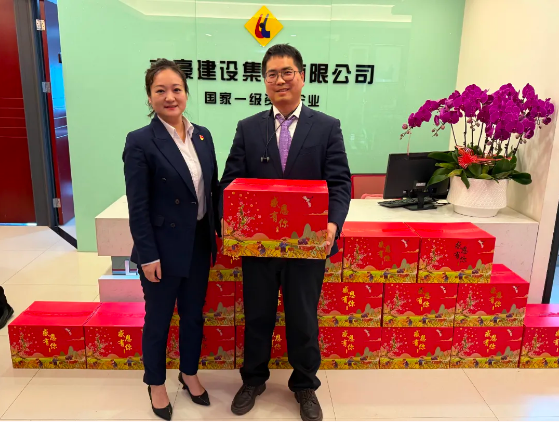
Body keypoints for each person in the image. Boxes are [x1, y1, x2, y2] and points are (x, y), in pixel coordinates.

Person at [219, 44, 351, 421]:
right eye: (272, 74)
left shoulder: (326, 126)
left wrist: (332, 224)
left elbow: (340, 183)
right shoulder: (248, 128)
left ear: (302, 77)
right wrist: (231, 222)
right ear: (264, 81)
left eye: (287, 72)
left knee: (303, 318)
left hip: (308, 245)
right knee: (258, 316)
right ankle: (253, 380)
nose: (280, 80)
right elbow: (230, 183)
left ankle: (305, 384)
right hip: (259, 246)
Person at [123, 59, 220, 421]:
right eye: (160, 90)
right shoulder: (140, 141)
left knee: (193, 315)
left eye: (176, 89)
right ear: (149, 97)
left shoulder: (202, 135)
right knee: (159, 319)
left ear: (186, 93)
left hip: (198, 244)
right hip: (161, 250)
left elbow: (212, 190)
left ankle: (189, 372)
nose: (170, 97)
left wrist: (223, 230)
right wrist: (148, 255)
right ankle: (156, 382)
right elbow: (138, 205)